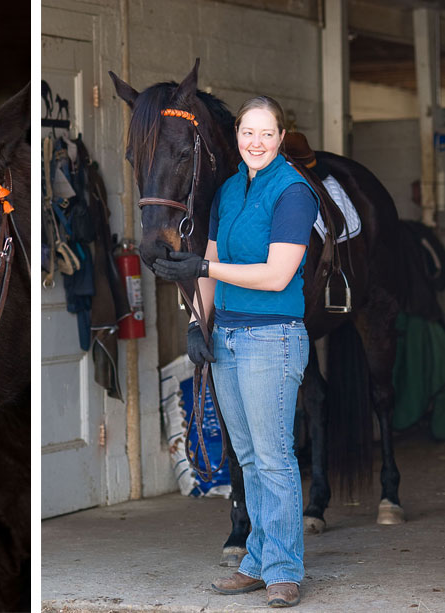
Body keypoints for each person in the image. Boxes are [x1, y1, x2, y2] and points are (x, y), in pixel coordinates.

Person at [153, 95, 319, 608]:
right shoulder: (227, 189)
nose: (255, 142)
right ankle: (256, 560)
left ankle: (285, 568)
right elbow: (210, 255)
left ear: (280, 136)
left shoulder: (294, 192)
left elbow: (277, 275)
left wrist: (203, 273)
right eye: (248, 132)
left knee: (274, 459)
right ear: (238, 133)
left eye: (266, 133)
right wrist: (198, 323)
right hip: (226, 336)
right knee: (246, 457)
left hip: (273, 337)